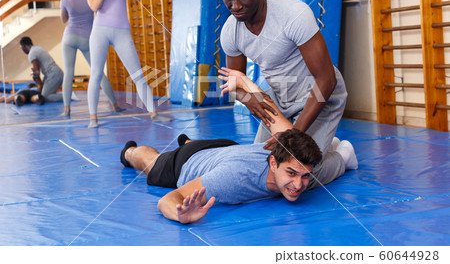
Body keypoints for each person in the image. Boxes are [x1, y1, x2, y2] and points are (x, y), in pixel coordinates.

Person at [120, 68, 357, 224]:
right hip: (188, 161)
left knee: (318, 179)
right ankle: (131, 151)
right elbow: (170, 198)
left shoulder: (289, 143)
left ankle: (342, 153)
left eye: (304, 176)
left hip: (228, 148)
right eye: (292, 173)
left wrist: (245, 80)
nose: (298, 185)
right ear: (273, 161)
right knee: (150, 164)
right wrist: (181, 215)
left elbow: (268, 108)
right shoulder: (231, 180)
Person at [217, 0, 348, 155]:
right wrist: (247, 98)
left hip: (321, 95)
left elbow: (327, 79)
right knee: (262, 165)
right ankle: (325, 145)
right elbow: (235, 83)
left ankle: (342, 155)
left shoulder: (293, 14)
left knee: (298, 166)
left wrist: (294, 136)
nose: (235, 6)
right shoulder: (230, 32)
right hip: (281, 97)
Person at [85, 0, 170, 128]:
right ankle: (93, 117)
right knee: (96, 74)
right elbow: (94, 6)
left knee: (138, 74)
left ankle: (154, 113)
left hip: (122, 32)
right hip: (100, 32)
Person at [60, 0, 124, 117]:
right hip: (87, 38)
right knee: (98, 72)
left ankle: (67, 109)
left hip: (69, 36)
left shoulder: (65, 0)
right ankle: (115, 105)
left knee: (68, 73)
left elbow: (64, 20)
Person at [20, 36, 64, 103]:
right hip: (55, 73)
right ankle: (67, 96)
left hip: (53, 74)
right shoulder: (38, 48)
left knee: (45, 97)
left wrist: (35, 77)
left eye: (21, 48)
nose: (22, 50)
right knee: (46, 93)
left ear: (24, 46)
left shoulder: (31, 54)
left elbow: (37, 72)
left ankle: (68, 97)